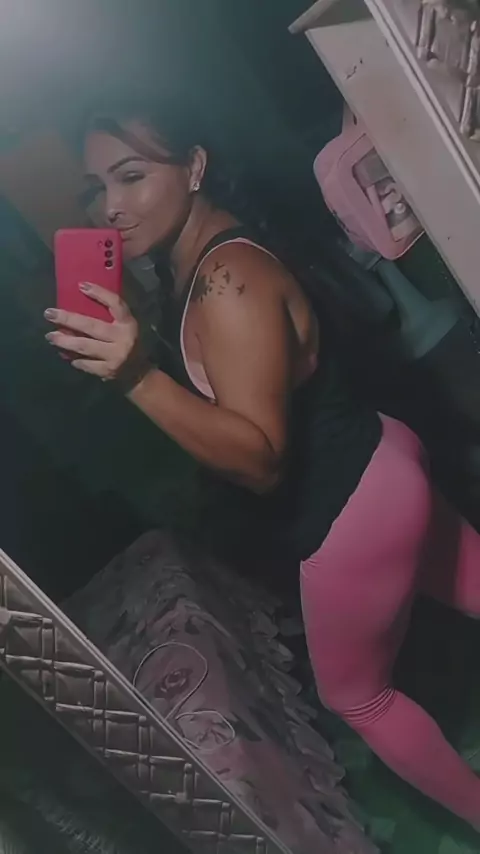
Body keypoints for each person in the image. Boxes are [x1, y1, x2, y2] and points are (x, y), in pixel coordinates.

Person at [44, 99, 480, 828]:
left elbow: (263, 461)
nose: (110, 206)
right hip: (381, 461)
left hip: (350, 513)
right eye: (97, 187)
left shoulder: (229, 280)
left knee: (358, 699)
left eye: (132, 176)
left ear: (194, 167)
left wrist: (137, 377)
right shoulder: (194, 260)